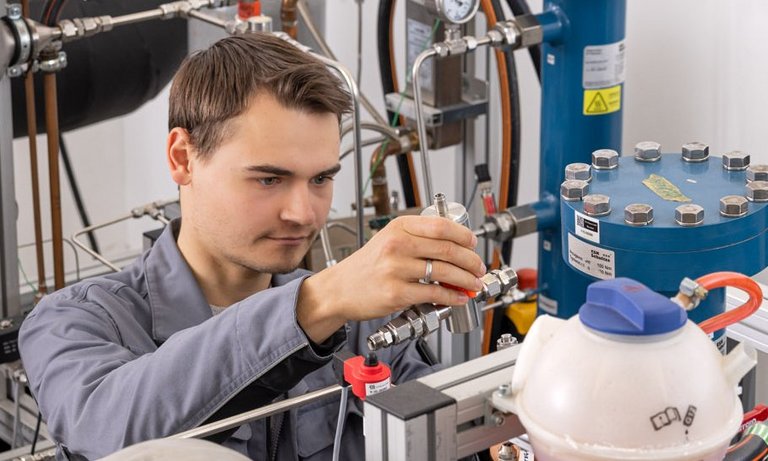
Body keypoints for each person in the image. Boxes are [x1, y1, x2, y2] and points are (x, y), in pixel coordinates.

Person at [19, 33, 485, 460]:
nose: (304, 213)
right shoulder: (76, 322)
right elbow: (113, 431)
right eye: (269, 178)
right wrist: (320, 301)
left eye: (321, 178)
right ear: (182, 158)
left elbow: (445, 434)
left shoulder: (361, 323)